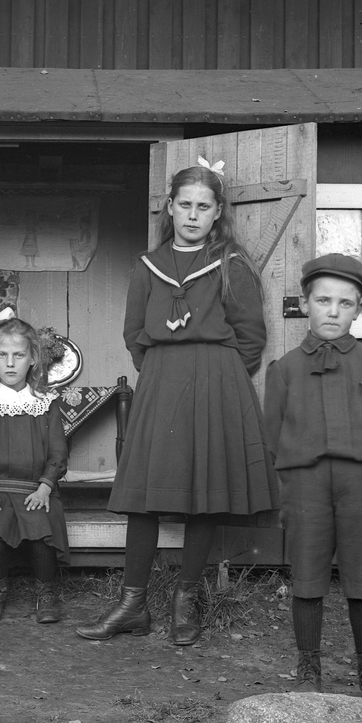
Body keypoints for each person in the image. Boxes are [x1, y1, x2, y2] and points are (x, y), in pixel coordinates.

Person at [76, 159, 279, 645]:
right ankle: (133, 604)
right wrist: (163, 374)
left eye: (203, 207)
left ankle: (186, 600)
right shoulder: (147, 267)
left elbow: (251, 337)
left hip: (217, 385)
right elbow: (134, 333)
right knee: (143, 495)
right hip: (161, 382)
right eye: (184, 204)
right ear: (169, 207)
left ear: (218, 212)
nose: (192, 214)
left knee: (203, 494)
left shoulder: (231, 265)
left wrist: (220, 377)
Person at [263, 253, 362, 698]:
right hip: (305, 484)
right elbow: (273, 434)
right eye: (323, 300)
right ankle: (309, 671)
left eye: (345, 303)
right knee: (307, 573)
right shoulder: (284, 369)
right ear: (305, 304)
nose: (333, 311)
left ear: (358, 310)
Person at [0, 317, 70, 623]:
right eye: (2, 355)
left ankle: (46, 593)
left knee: (42, 534)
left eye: (18, 355)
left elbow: (58, 453)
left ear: (32, 358)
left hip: (36, 490)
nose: (10, 363)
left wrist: (45, 487)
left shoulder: (46, 402)